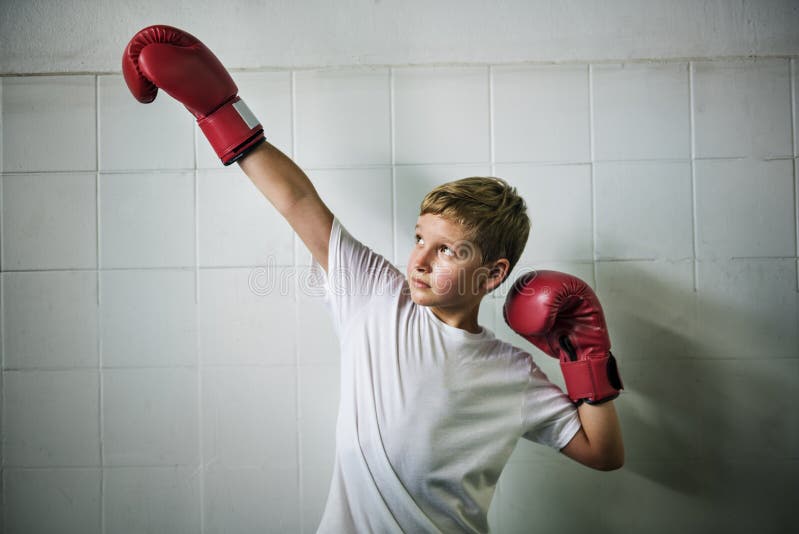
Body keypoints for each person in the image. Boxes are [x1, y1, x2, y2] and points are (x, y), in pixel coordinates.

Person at [123, 25, 624, 534]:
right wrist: (218, 110)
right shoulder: (378, 298)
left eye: (447, 249)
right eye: (418, 239)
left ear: (493, 274)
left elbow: (603, 453)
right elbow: (298, 202)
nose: (420, 260)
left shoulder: (511, 373)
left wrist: (585, 358)